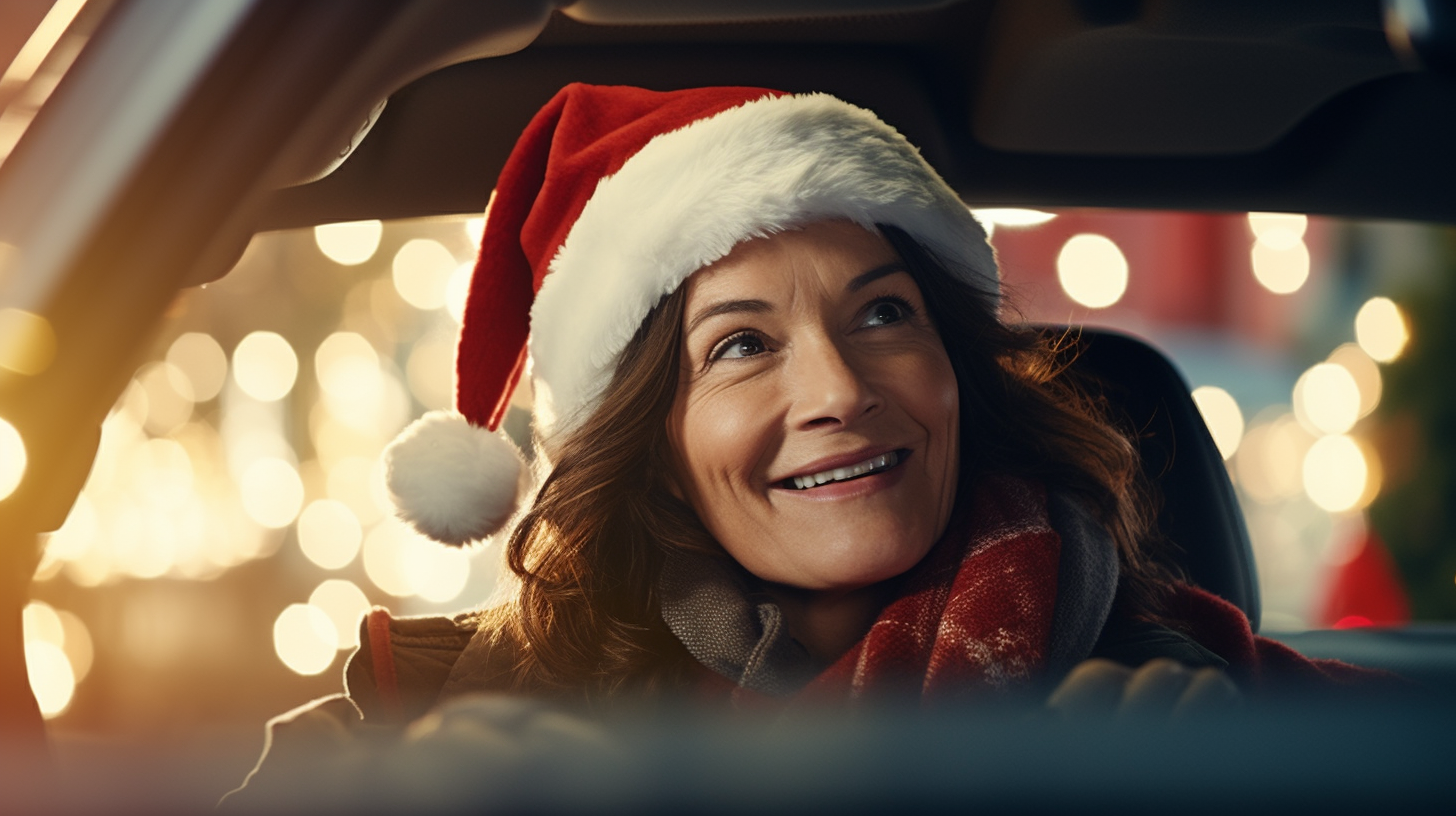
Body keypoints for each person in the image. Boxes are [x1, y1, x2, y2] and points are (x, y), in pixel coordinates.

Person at [226, 83, 1380, 804]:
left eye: (884, 313)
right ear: (645, 441)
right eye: (739, 346)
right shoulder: (398, 746)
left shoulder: (1209, 717)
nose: (839, 389)